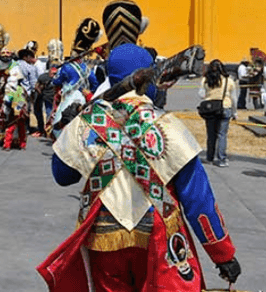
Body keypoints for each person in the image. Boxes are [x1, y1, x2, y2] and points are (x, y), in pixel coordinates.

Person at [39, 43, 242, 291]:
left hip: (104, 237)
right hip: (156, 234)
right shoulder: (166, 125)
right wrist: (223, 254)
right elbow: (197, 197)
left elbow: (62, 175)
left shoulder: (87, 122)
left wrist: (68, 128)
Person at [199, 59, 236, 167]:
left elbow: (201, 95)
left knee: (211, 134)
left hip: (210, 108)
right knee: (222, 134)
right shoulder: (228, 80)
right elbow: (234, 98)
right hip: (225, 106)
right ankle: (221, 159)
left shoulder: (205, 79)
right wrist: (235, 112)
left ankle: (209, 157)